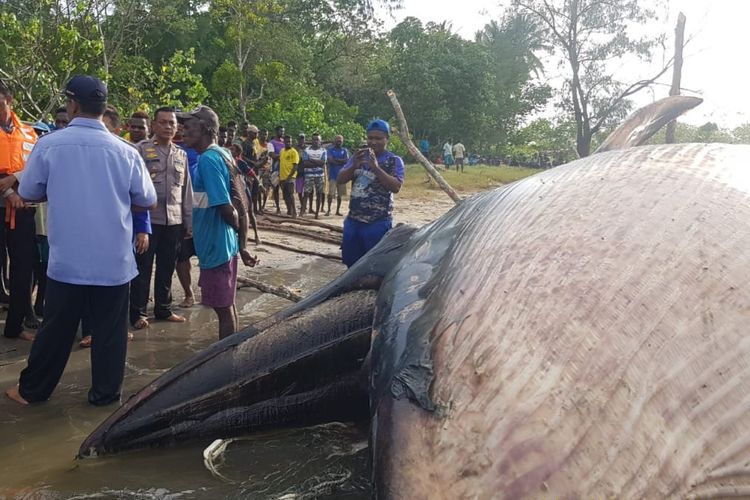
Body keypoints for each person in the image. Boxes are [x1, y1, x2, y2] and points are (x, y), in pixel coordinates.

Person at [5, 75, 157, 406]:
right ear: (103, 109)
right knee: (111, 335)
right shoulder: (126, 151)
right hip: (113, 262)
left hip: (68, 261)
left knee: (56, 332)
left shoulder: (50, 145)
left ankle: (32, 392)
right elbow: (147, 199)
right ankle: (104, 397)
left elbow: (29, 191)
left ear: (72, 105)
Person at [177, 105, 257, 339]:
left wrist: (235, 233)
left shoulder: (208, 160)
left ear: (204, 128)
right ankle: (232, 350)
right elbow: (241, 202)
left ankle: (225, 359)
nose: (183, 131)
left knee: (223, 310)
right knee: (227, 306)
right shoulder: (223, 153)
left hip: (216, 245)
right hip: (223, 243)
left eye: (188, 126)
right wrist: (241, 244)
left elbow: (227, 207)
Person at [130, 107, 192, 330]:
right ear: (154, 125)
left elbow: (186, 191)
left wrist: (188, 221)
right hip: (148, 221)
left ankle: (163, 309)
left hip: (173, 222)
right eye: (163, 122)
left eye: (171, 123)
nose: (168, 127)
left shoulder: (181, 154)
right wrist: (138, 224)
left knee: (167, 267)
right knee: (143, 268)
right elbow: (134, 188)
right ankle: (137, 312)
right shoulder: (140, 150)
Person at [0, 79, 39, 341]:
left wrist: (15, 178)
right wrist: (7, 192)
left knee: (24, 268)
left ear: (9, 100)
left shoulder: (29, 132)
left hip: (23, 210)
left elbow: (39, 166)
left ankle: (15, 325)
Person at [337, 119, 404, 267]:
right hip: (354, 219)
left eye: (378, 138)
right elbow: (340, 179)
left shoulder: (394, 160)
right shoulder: (358, 156)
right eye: (370, 138)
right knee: (350, 261)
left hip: (377, 221)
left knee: (373, 264)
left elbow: (396, 187)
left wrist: (376, 168)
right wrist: (354, 165)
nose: (373, 142)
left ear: (387, 139)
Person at [173, 122, 200, 308]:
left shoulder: (200, 148)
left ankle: (206, 289)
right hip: (178, 205)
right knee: (181, 254)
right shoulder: (168, 147)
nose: (182, 131)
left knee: (204, 252)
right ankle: (189, 293)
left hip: (200, 202)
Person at [301, 133, 327, 219]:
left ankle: (316, 213)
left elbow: (322, 163)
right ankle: (302, 212)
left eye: (317, 140)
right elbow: (305, 163)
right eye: (314, 139)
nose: (315, 141)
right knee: (306, 193)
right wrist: (317, 162)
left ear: (320, 141)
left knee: (319, 194)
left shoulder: (324, 150)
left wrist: (311, 160)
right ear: (311, 141)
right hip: (308, 175)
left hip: (320, 175)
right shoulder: (306, 150)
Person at [325, 134, 349, 216]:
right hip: (333, 175)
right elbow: (330, 160)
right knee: (330, 194)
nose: (339, 142)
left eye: (340, 141)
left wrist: (336, 160)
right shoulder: (330, 150)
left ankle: (337, 211)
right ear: (334, 141)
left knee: (340, 195)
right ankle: (328, 210)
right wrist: (340, 161)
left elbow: (346, 161)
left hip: (342, 176)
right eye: (338, 140)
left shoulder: (344, 150)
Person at [279, 134, 300, 218]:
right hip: (282, 177)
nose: (288, 143)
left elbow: (295, 166)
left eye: (290, 142)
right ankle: (289, 210)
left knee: (291, 194)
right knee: (285, 195)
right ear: (284, 142)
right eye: (287, 141)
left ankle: (294, 212)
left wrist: (289, 177)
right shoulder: (282, 151)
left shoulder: (294, 152)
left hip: (290, 177)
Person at [255, 129, 274, 213]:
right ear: (259, 134)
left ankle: (263, 206)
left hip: (267, 169)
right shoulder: (256, 143)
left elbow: (270, 157)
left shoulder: (269, 145)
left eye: (266, 134)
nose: (264, 136)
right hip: (258, 168)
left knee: (266, 188)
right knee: (258, 188)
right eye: (263, 134)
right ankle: (259, 206)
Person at [269, 125, 285, 213]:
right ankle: (278, 207)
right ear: (276, 132)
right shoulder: (271, 143)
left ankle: (288, 207)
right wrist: (283, 155)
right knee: (276, 188)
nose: (282, 133)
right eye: (280, 131)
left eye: (283, 131)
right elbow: (272, 155)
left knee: (286, 189)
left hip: (284, 168)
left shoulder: (284, 142)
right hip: (275, 168)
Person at [294, 133, 307, 213]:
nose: (301, 140)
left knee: (307, 191)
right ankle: (303, 205)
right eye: (300, 138)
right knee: (299, 191)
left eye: (303, 138)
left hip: (306, 171)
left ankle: (306, 206)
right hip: (299, 171)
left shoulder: (307, 148)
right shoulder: (295, 149)